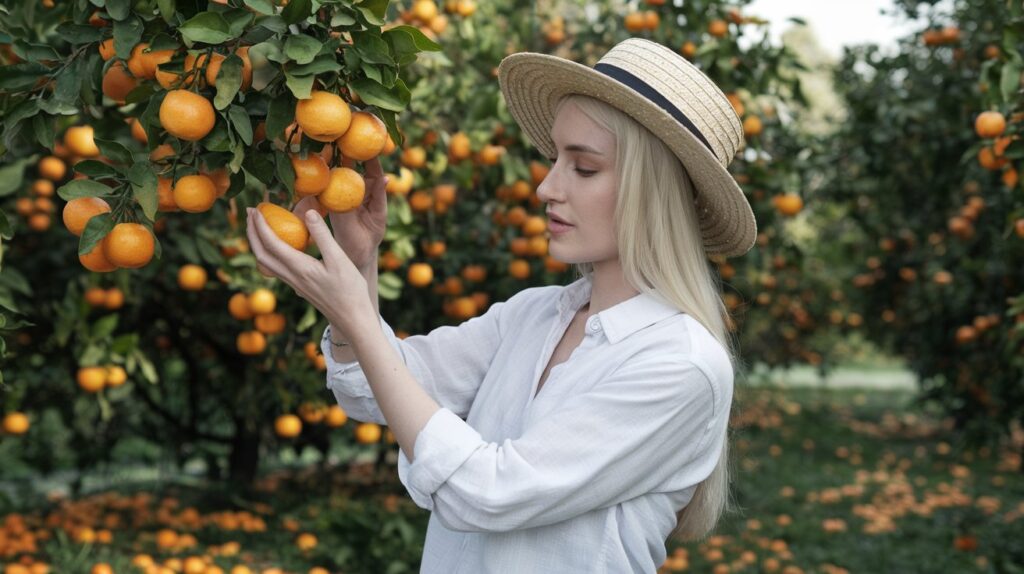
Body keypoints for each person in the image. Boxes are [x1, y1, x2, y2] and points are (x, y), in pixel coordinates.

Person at [247, 37, 756, 573]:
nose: (544, 188)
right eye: (554, 159)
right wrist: (358, 266)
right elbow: (374, 392)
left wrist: (353, 312)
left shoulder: (679, 364)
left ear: (653, 193)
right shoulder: (536, 315)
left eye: (583, 169)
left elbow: (486, 493)